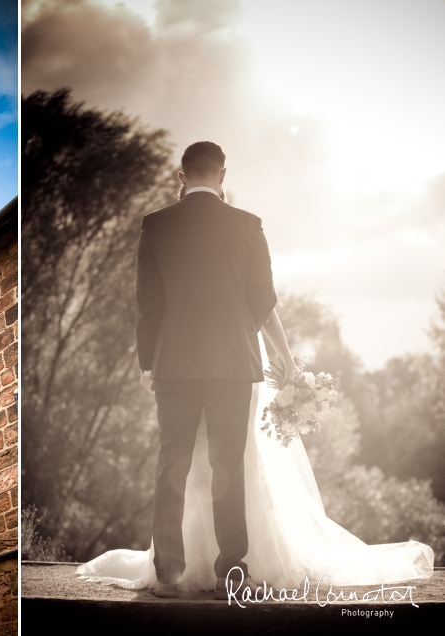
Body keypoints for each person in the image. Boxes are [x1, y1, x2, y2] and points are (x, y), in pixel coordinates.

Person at [76, 142, 434, 598]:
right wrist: (285, 357)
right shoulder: (248, 226)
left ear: (180, 177)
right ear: (223, 175)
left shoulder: (156, 227)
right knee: (229, 464)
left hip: (175, 366)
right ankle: (232, 573)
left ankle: (167, 575)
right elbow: (262, 303)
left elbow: (149, 305)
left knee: (172, 464)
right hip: (232, 366)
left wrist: (148, 363)